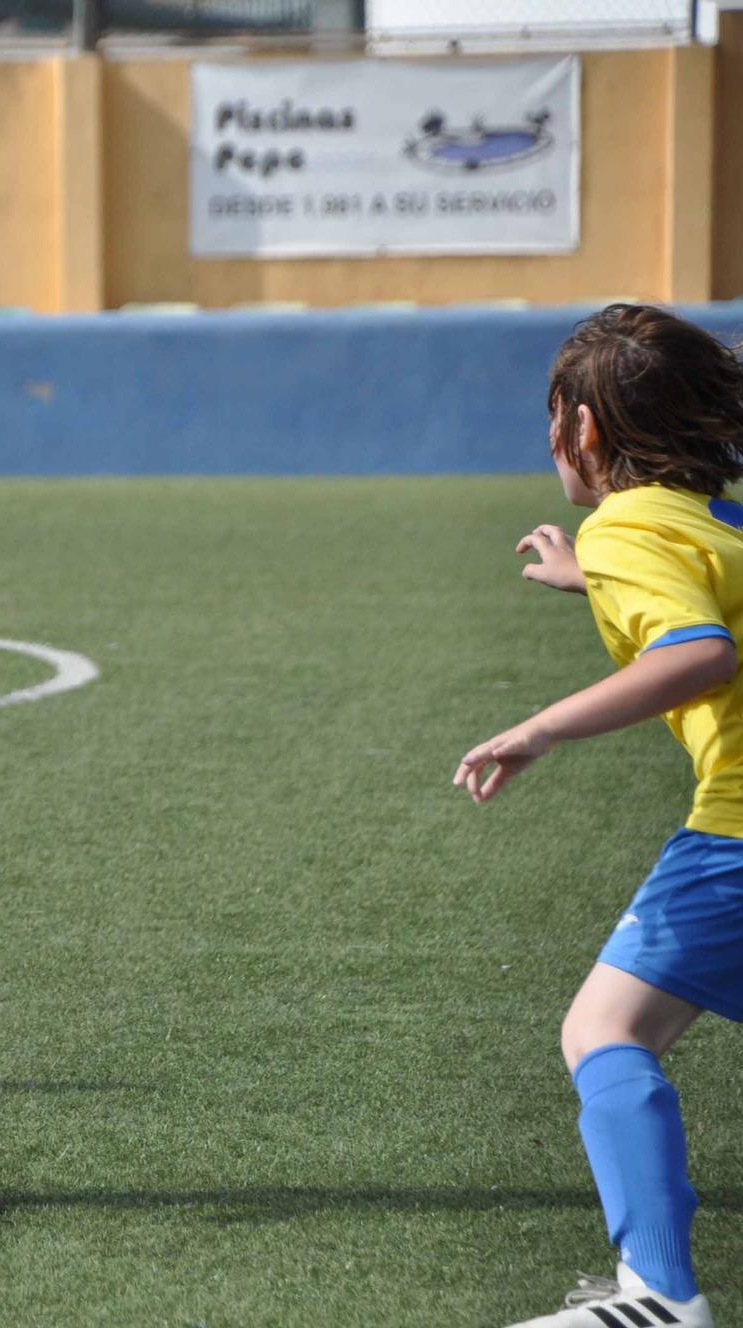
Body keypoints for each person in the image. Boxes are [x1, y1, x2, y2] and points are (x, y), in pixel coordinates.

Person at [455, 304, 743, 1327]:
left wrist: (537, 727)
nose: (547, 443)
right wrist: (590, 577)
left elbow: (697, 651)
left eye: (553, 422)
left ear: (582, 432)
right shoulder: (714, 521)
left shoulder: (623, 526)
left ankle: (658, 1295)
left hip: (738, 830)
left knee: (602, 1026)